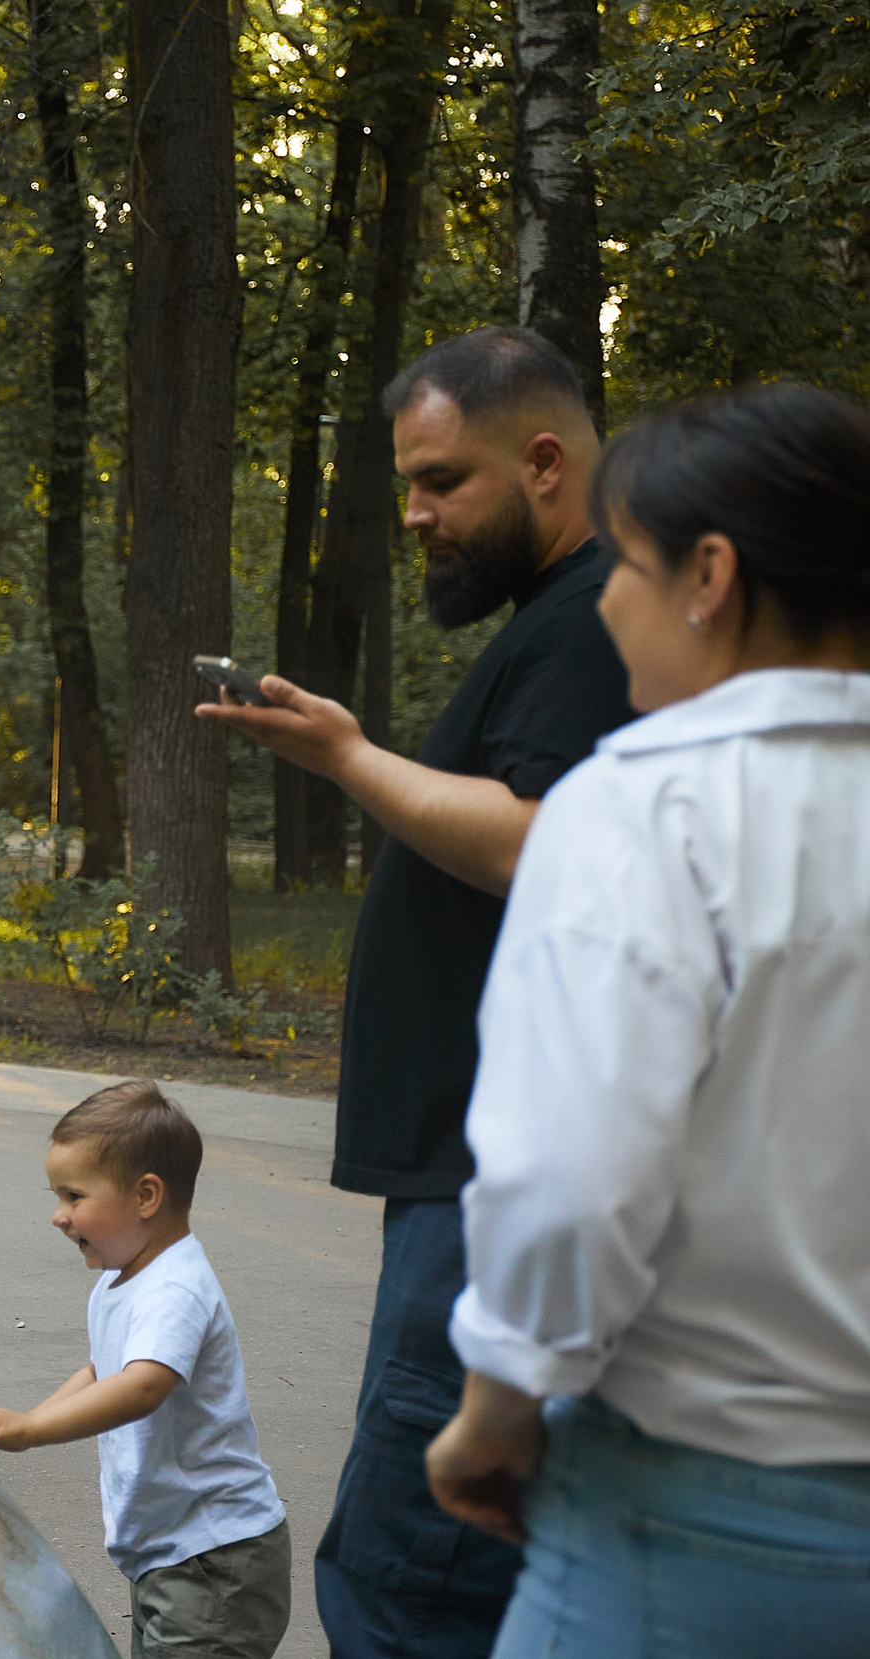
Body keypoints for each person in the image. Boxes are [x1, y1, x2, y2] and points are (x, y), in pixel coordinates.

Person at [197, 325, 636, 1658]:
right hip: (472, 1169)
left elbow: (535, 838)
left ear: (545, 460)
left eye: (444, 480)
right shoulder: (571, 617)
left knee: (411, 1574)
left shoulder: (589, 623)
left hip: (487, 1178)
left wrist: (346, 756)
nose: (417, 513)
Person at [424, 385, 870, 1658]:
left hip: (692, 1519)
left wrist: (495, 1413)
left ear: (708, 576)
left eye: (622, 561)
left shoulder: (642, 810)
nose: (605, 598)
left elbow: (567, 1185)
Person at [0, 1082, 291, 1659]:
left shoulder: (174, 1287)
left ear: (146, 1196)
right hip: (173, 1551)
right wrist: (31, 1419)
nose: (59, 1216)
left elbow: (142, 1386)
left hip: (215, 1557)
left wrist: (33, 1430)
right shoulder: (121, 1278)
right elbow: (102, 1369)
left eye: (74, 1196)